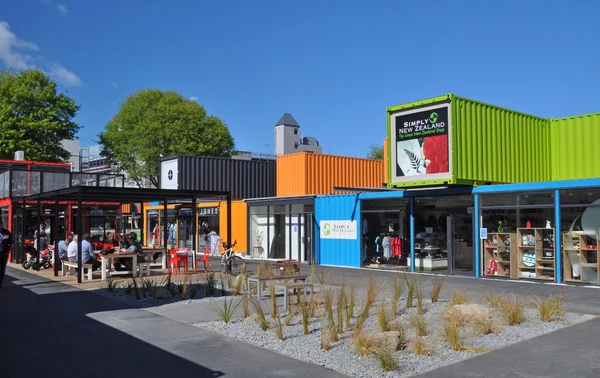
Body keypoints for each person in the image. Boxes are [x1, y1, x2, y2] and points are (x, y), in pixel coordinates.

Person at [0, 219, 13, 288]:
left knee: (2, 269)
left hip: (4, 253)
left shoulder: (7, 232)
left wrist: (8, 251)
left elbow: (10, 243)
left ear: (1, 224)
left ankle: (0, 283)